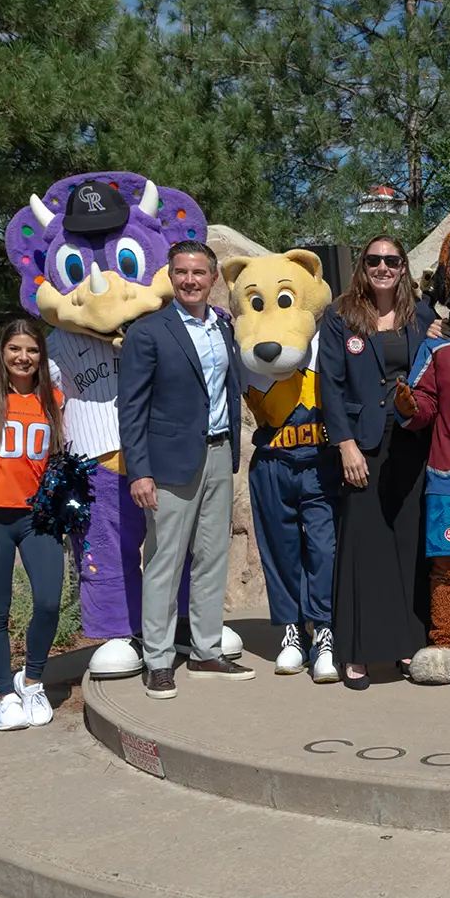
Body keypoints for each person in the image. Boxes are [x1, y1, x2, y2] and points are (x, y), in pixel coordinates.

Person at [118, 239, 251, 699]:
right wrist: (139, 470)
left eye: (198, 273)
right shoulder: (148, 332)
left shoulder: (224, 327)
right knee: (164, 560)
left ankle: (206, 650)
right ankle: (157, 659)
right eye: (181, 272)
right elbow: (131, 408)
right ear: (170, 277)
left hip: (218, 454)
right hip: (168, 462)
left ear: (213, 278)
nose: (190, 280)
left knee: (212, 557)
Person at [319, 235, 436, 689]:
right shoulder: (340, 315)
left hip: (411, 439)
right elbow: (329, 385)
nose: (383, 267)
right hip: (363, 444)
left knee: (409, 544)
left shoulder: (421, 315)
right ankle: (360, 653)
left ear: (404, 267)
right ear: (363, 266)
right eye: (374, 260)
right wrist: (345, 445)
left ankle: (408, 646)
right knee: (364, 548)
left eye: (392, 260)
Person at [0, 319, 66, 731]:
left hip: (37, 518)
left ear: (41, 356)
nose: (23, 357)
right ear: (2, 352)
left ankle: (31, 680)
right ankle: (4, 695)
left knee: (48, 601)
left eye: (31, 350)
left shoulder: (54, 400)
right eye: (15, 349)